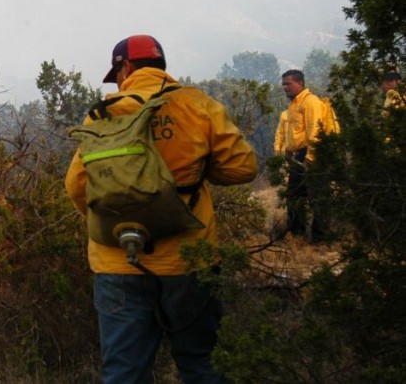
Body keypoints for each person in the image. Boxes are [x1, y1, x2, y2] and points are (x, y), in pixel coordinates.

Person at [65, 34, 258, 384]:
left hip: (118, 260)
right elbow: (243, 168)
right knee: (201, 362)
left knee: (124, 371)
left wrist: (113, 222)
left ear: (127, 67)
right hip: (189, 259)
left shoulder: (103, 116)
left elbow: (76, 186)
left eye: (118, 73)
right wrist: (197, 172)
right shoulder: (198, 105)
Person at [272, 69, 330, 243]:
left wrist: (311, 156)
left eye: (288, 84)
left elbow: (315, 130)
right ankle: (297, 235)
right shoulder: (294, 105)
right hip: (298, 155)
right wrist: (288, 150)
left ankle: (321, 239)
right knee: (294, 196)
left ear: (299, 83)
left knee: (318, 197)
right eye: (283, 84)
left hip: (312, 154)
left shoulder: (310, 102)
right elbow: (292, 131)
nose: (285, 88)